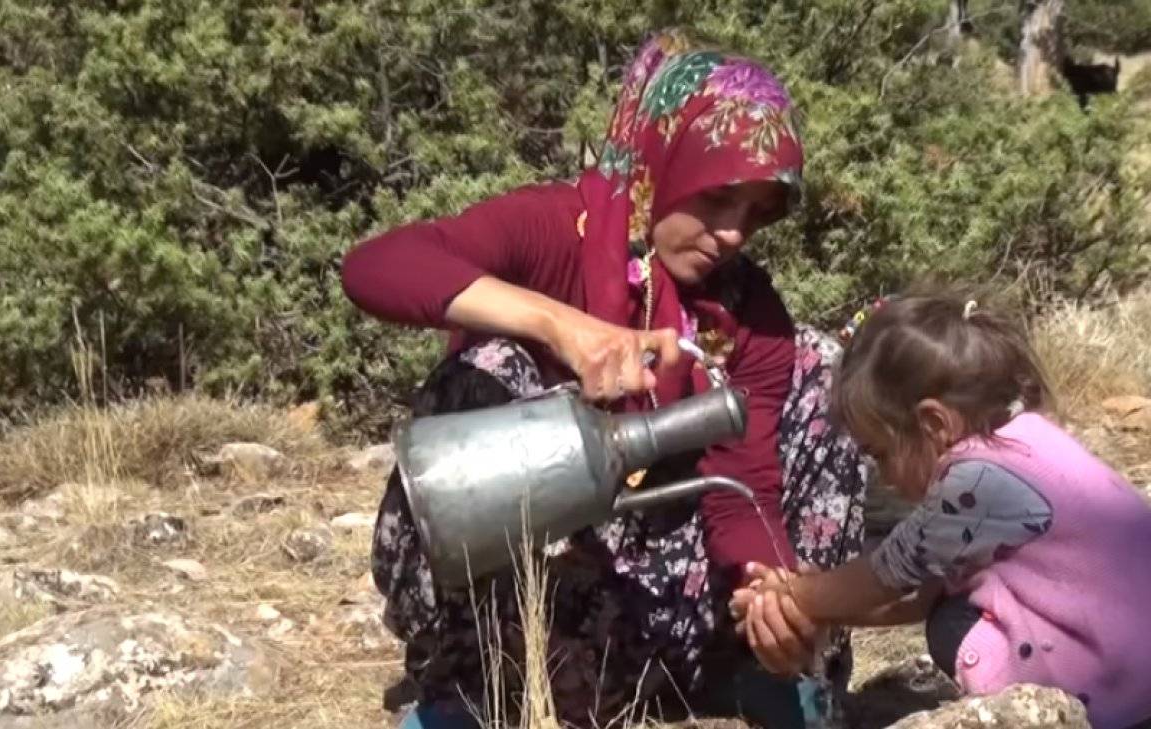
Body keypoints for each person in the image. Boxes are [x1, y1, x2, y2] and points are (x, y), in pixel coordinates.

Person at [342, 29, 868, 728]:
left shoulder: (744, 309)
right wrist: (560, 326)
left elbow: (742, 485)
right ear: (668, 162)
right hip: (521, 583)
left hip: (651, 599)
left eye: (757, 213)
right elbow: (375, 268)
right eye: (719, 199)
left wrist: (766, 587)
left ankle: (759, 669)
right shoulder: (557, 228)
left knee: (821, 367)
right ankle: (477, 685)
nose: (735, 233)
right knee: (491, 367)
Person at [735, 290, 1151, 729]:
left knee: (952, 621)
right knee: (952, 597)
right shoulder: (1028, 440)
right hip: (1133, 656)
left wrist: (793, 595)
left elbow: (883, 580)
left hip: (1126, 687)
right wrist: (816, 602)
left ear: (933, 424)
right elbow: (920, 590)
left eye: (880, 454)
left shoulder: (974, 483)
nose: (886, 477)